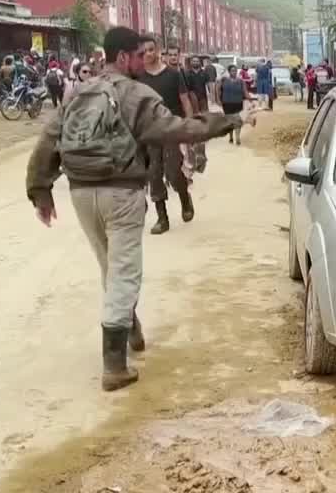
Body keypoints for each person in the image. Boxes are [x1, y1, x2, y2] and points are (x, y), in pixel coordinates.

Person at [25, 26, 238, 392]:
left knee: (110, 266)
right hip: (121, 193)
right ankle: (114, 365)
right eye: (140, 55)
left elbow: (49, 138)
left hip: (80, 192)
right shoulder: (136, 93)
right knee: (125, 272)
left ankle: (131, 328)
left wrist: (39, 190)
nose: (145, 61)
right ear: (123, 57)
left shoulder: (79, 92)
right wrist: (225, 122)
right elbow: (175, 128)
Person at [136, 36, 194, 234]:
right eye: (142, 52)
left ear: (157, 50)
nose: (147, 55)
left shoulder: (173, 75)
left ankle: (184, 197)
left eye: (150, 50)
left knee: (172, 171)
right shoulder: (138, 78)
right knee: (153, 173)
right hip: (150, 132)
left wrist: (190, 127)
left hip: (172, 129)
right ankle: (162, 218)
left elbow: (185, 101)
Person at [184, 55, 212, 174]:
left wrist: (212, 95)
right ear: (191, 63)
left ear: (199, 63)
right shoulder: (188, 74)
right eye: (193, 61)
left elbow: (209, 85)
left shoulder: (204, 73)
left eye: (196, 61)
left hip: (203, 99)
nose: (195, 62)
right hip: (192, 99)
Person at [220, 65, 253, 144]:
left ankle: (237, 137)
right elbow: (219, 91)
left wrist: (251, 100)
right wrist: (218, 100)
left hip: (238, 103)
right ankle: (231, 137)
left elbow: (245, 92)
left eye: (235, 70)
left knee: (238, 121)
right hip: (227, 103)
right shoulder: (224, 80)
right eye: (232, 71)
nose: (234, 72)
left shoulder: (241, 81)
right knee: (229, 121)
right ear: (229, 72)